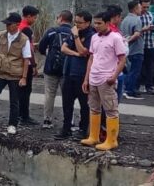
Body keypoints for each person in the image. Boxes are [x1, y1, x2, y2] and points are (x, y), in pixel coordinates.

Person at [81, 12, 127, 151]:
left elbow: (122, 58)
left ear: (108, 23)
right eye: (95, 23)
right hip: (94, 77)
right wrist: (86, 78)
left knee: (111, 110)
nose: (96, 26)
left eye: (99, 23)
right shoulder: (94, 37)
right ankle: (93, 136)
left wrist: (114, 76)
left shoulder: (115, 38)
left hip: (106, 78)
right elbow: (91, 58)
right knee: (94, 108)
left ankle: (111, 140)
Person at [56, 11, 95, 139]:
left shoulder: (91, 35)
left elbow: (84, 51)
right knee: (67, 104)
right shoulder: (73, 33)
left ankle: (83, 129)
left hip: (82, 74)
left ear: (88, 23)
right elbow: (64, 48)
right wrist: (75, 53)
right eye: (76, 22)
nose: (76, 25)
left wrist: (77, 38)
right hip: (68, 73)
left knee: (84, 105)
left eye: (80, 22)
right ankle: (66, 128)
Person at [38, 10, 73, 129]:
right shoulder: (74, 33)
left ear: (61, 18)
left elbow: (41, 46)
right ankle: (69, 120)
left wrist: (47, 54)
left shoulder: (52, 31)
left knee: (49, 94)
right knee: (68, 95)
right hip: (67, 69)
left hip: (51, 68)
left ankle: (47, 120)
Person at [18, 6, 40, 126]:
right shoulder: (26, 29)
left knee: (19, 90)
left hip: (18, 62)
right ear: (29, 16)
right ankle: (24, 116)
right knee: (26, 90)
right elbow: (29, 49)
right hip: (26, 62)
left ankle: (18, 114)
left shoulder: (18, 26)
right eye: (35, 17)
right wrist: (34, 65)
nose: (35, 20)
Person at [120, 0, 145, 100]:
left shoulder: (125, 20)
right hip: (136, 49)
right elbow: (137, 34)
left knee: (128, 70)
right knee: (135, 71)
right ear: (135, 9)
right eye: (140, 8)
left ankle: (125, 89)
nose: (141, 9)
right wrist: (129, 40)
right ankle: (130, 91)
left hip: (127, 50)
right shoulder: (137, 20)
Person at [139, 0, 154, 95]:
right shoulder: (137, 17)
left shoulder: (150, 15)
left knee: (149, 66)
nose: (146, 9)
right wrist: (143, 29)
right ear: (140, 5)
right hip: (139, 45)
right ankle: (136, 86)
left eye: (147, 7)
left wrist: (152, 28)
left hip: (150, 44)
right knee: (138, 67)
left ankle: (149, 86)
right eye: (144, 7)